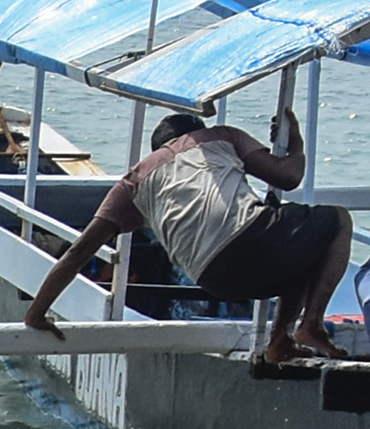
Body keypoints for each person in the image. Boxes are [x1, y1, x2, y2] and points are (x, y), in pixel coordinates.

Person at [23, 109, 350, 369]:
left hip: (213, 278)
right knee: (336, 220)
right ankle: (310, 324)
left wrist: (37, 313)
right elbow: (289, 176)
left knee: (296, 242)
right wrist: (296, 142)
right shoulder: (219, 136)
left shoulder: (134, 181)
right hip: (251, 239)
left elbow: (79, 251)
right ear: (194, 130)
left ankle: (280, 340)